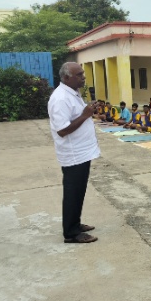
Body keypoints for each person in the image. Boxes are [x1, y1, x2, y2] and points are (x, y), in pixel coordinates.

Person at [47, 62, 100, 244]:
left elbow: (78, 116)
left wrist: (89, 111)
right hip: (73, 154)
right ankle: (71, 233)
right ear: (67, 78)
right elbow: (62, 130)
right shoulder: (60, 98)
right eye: (79, 74)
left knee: (79, 191)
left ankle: (75, 224)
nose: (83, 77)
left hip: (82, 151)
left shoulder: (73, 93)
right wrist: (85, 114)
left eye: (82, 73)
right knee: (73, 193)